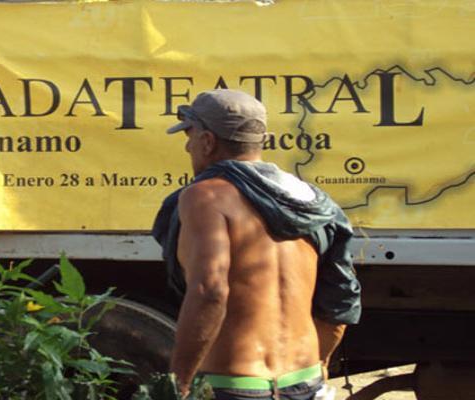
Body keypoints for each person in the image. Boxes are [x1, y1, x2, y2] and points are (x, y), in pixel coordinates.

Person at [152, 89, 361, 400]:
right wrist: (321, 363)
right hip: (306, 382)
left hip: (237, 388)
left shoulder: (206, 196)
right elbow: (340, 298)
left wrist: (178, 386)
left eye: (190, 135)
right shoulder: (312, 199)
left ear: (208, 141)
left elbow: (210, 292)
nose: (187, 145)